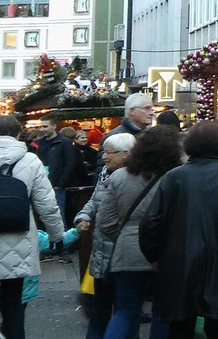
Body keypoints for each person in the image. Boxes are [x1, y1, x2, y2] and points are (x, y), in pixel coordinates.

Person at [140, 122, 218, 339]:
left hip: (179, 262)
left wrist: (156, 256)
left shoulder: (174, 177)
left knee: (180, 327)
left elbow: (151, 222)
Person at [98, 126, 183, 339]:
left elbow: (105, 222)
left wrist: (123, 233)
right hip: (166, 253)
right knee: (162, 313)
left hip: (127, 252)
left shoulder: (120, 177)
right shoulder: (177, 178)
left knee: (125, 311)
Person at [0, 115, 66, 339]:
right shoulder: (30, 161)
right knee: (13, 307)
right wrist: (58, 236)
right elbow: (47, 205)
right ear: (19, 134)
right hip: (18, 243)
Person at [75, 133, 136, 339]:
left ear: (126, 154)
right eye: (104, 152)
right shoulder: (105, 173)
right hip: (102, 250)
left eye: (108, 153)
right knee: (100, 309)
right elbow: (95, 200)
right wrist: (83, 216)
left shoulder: (136, 178)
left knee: (123, 310)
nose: (103, 157)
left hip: (123, 253)